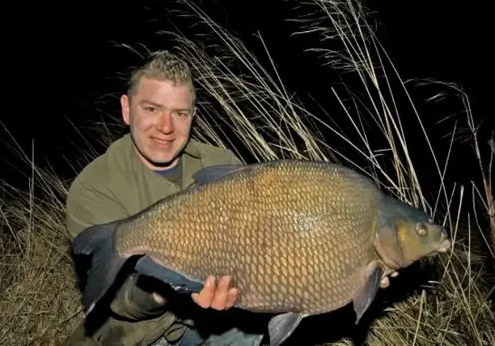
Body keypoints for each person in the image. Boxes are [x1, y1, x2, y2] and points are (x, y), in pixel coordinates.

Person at [65, 50, 397, 345]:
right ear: (126, 109)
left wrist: (350, 265)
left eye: (180, 113)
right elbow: (119, 303)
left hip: (211, 322)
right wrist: (174, 286)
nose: (165, 126)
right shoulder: (94, 188)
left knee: (247, 328)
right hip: (136, 334)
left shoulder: (220, 164)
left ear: (192, 117)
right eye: (151, 108)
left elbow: (274, 245)